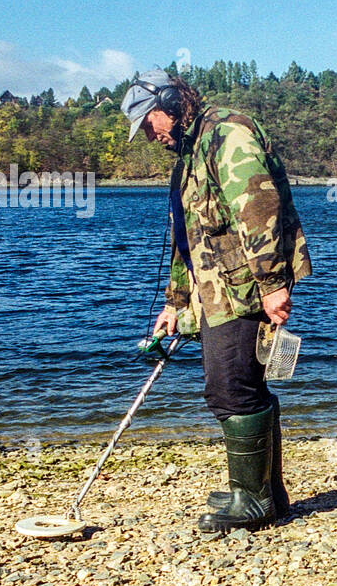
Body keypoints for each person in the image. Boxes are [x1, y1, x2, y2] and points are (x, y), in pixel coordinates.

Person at [121, 70, 311, 533]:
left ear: (170, 101)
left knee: (231, 389)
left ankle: (254, 500)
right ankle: (265, 491)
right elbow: (189, 237)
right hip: (214, 288)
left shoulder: (228, 133)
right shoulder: (191, 149)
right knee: (242, 386)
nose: (149, 134)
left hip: (243, 286)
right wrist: (176, 302)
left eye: (150, 122)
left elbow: (257, 208)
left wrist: (272, 284)